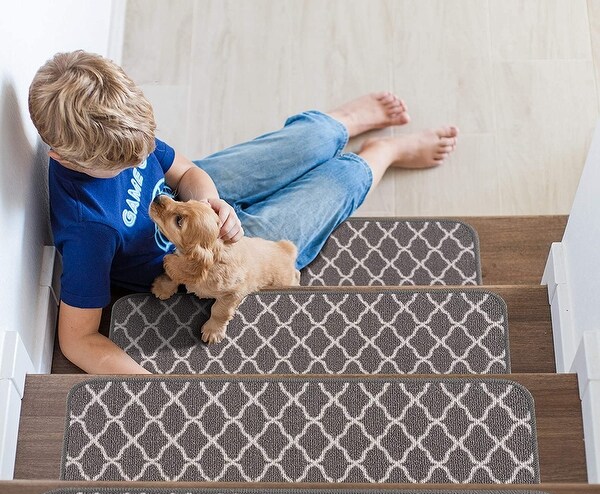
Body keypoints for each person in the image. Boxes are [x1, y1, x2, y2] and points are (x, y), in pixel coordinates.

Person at [28, 50, 458, 375]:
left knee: (313, 140)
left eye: (143, 152)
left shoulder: (123, 135)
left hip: (199, 203)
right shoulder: (90, 228)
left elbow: (187, 172)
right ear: (62, 157)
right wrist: (149, 384)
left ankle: (341, 123)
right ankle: (381, 153)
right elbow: (77, 339)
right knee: (340, 182)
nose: (140, 161)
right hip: (214, 256)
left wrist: (211, 201)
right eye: (125, 166)